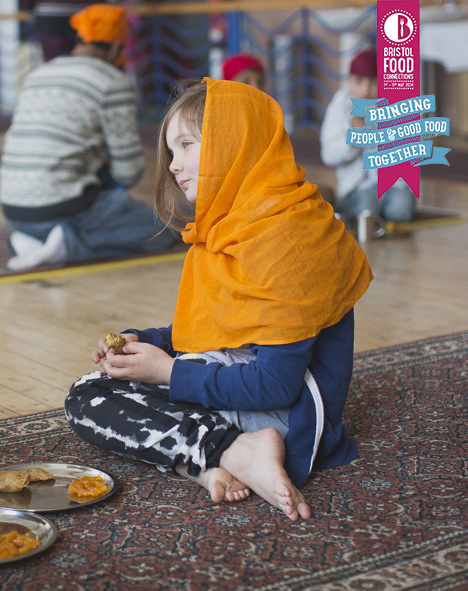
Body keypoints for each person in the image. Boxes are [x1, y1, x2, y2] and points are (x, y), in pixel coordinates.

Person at [64, 78, 373, 521]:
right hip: (237, 392)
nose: (173, 165)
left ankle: (230, 451)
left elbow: (276, 385)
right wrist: (144, 342)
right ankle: (223, 461)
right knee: (92, 392)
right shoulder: (236, 223)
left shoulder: (287, 238)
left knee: (90, 397)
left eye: (187, 144)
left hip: (286, 416)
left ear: (237, 142)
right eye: (171, 152)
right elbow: (225, 327)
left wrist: (168, 371)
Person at [0, 3, 177, 271]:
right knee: (162, 230)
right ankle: (67, 247)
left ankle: (33, 240)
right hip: (65, 206)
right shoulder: (112, 83)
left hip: (14, 210)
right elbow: (129, 173)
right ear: (118, 49)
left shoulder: (38, 74)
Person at [320, 48, 417, 225]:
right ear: (349, 82)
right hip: (358, 185)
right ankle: (354, 210)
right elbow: (328, 156)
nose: (366, 89)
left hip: (393, 182)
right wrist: (354, 138)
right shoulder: (340, 107)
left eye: (374, 82)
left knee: (401, 211)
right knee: (366, 212)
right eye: (359, 81)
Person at [19, 0, 99, 61]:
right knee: (87, 61)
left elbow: (27, 6)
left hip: (50, 14)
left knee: (54, 63)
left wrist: (26, 7)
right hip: (88, 14)